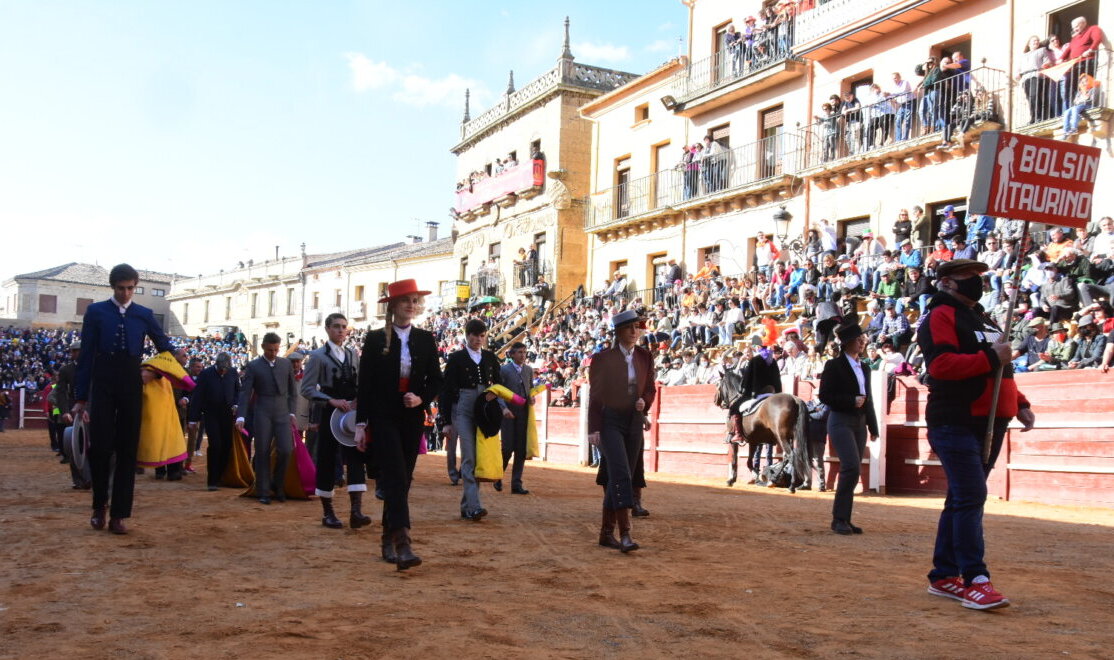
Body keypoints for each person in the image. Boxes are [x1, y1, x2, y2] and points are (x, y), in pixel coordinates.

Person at [917, 258, 1035, 610]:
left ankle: (943, 575)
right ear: (948, 283)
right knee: (971, 496)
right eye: (969, 277)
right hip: (956, 418)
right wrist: (989, 356)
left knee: (961, 499)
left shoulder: (983, 318)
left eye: (979, 277)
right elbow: (940, 366)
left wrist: (1021, 402)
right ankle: (975, 578)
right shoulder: (939, 316)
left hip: (990, 420)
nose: (977, 282)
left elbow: (1003, 368)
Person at [72, 263, 180, 535]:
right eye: (121, 288)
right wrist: (81, 397)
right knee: (101, 448)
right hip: (104, 381)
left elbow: (167, 349)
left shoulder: (143, 314)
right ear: (113, 287)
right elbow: (86, 356)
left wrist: (152, 373)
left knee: (128, 450)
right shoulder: (96, 311)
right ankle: (99, 506)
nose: (125, 293)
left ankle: (119, 514)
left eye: (130, 288)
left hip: (132, 383)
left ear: (135, 286)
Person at [356, 279, 443, 570]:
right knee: (394, 474)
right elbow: (365, 384)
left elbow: (437, 379)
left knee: (401, 481)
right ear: (393, 306)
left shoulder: (425, 338)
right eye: (405, 300)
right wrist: (360, 424)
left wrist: (421, 398)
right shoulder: (375, 338)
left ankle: (386, 536)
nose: (411, 305)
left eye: (415, 300)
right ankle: (403, 542)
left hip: (411, 415)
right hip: (383, 414)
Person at [588, 310, 656, 553]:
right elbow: (595, 395)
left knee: (619, 474)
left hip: (633, 420)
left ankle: (606, 533)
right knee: (620, 474)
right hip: (610, 421)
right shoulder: (602, 358)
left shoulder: (645, 356)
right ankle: (625, 533)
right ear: (618, 332)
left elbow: (650, 389)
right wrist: (593, 428)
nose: (635, 331)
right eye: (630, 328)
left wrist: (644, 403)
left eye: (637, 327)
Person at [302, 313, 373, 530]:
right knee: (326, 457)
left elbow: (360, 383)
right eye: (336, 326)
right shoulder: (317, 356)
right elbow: (307, 389)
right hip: (329, 413)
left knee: (356, 457)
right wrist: (330, 400)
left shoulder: (353, 354)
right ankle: (328, 513)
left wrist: (359, 402)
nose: (341, 330)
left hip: (351, 412)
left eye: (343, 327)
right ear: (327, 329)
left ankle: (356, 512)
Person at [441, 318, 510, 522]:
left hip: (485, 407)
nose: (478, 339)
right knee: (470, 456)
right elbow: (446, 391)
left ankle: (467, 506)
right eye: (474, 335)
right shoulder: (456, 358)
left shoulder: (489, 357)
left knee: (477, 457)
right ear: (467, 335)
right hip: (464, 407)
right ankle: (474, 506)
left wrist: (501, 405)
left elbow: (497, 385)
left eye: (482, 335)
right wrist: (446, 420)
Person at [819, 319, 879, 535]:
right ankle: (838, 519)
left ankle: (845, 518)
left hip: (860, 423)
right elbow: (824, 396)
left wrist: (873, 427)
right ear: (846, 342)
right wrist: (850, 400)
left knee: (853, 470)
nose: (862, 342)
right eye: (858, 339)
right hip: (840, 420)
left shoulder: (864, 367)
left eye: (862, 339)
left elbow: (869, 398)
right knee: (851, 466)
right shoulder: (833, 365)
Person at [236, 332, 297, 505]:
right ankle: (263, 490)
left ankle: (278, 485)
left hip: (282, 412)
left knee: (286, 450)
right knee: (262, 451)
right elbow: (246, 392)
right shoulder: (254, 366)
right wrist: (241, 415)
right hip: (262, 411)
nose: (273, 353)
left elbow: (293, 392)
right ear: (263, 347)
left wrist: (292, 412)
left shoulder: (285, 364)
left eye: (276, 349)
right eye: (270, 350)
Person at [188, 352, 239, 491]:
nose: (224, 371)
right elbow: (198, 396)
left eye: (226, 369)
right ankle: (212, 480)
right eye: (221, 369)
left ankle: (220, 475)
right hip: (211, 414)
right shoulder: (206, 374)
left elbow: (237, 392)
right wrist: (193, 418)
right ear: (216, 365)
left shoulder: (233, 372)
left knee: (227, 445)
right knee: (215, 445)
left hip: (228, 414)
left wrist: (236, 404)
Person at [496, 342, 533, 495]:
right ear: (511, 355)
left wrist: (531, 398)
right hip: (508, 413)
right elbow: (498, 391)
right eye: (519, 352)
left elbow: (529, 389)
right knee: (507, 448)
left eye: (524, 352)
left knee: (521, 449)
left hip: (523, 413)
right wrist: (503, 408)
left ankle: (516, 484)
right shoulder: (503, 370)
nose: (522, 355)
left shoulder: (529, 370)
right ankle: (498, 476)